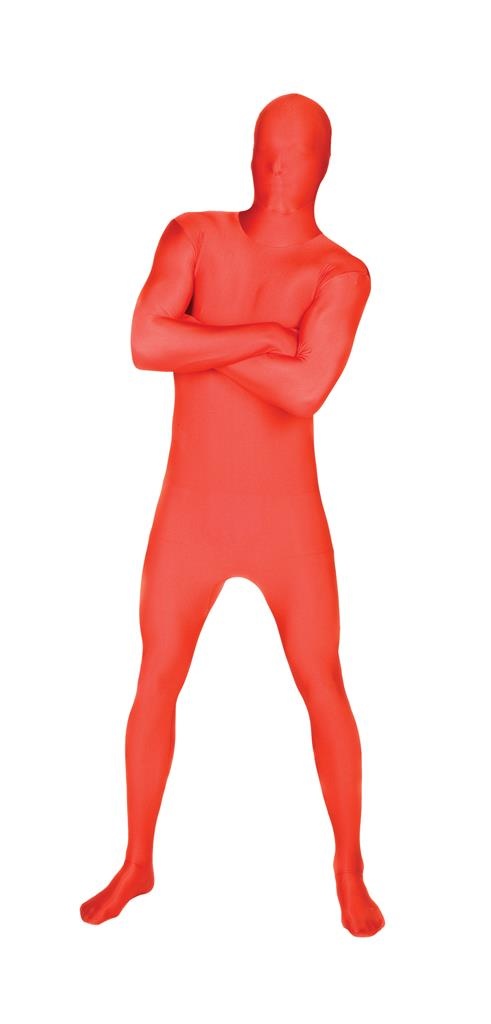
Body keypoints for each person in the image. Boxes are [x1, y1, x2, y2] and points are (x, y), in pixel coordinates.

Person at [80, 92, 385, 936]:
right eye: (270, 152)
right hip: (191, 516)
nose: (281, 169)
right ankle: (137, 862)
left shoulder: (341, 273)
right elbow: (145, 342)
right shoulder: (192, 234)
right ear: (249, 156)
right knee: (156, 678)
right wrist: (255, 335)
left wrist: (201, 334)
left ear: (325, 166)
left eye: (299, 154)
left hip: (287, 524)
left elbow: (306, 389)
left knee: (322, 682)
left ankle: (349, 869)